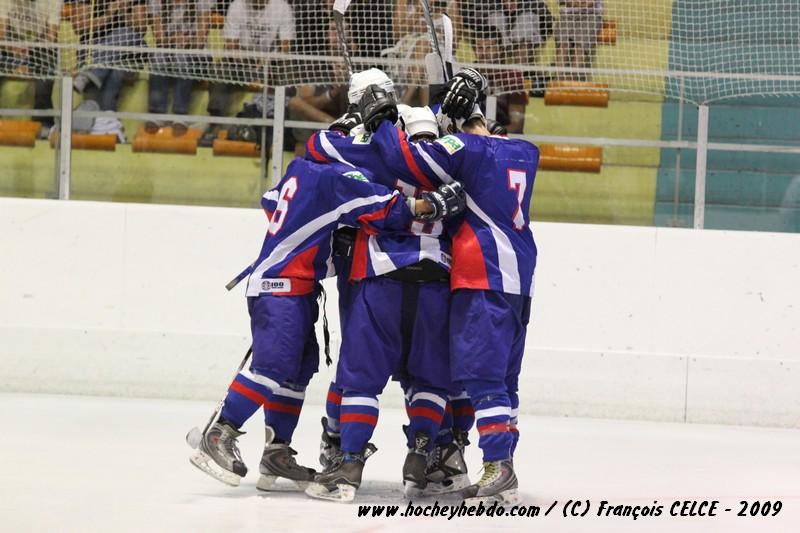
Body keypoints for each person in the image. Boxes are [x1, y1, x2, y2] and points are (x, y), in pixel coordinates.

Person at [190, 155, 466, 491]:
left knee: (296, 372)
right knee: (272, 367)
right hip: (283, 283)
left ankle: (275, 452)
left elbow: (271, 202)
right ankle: (220, 434)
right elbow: (386, 210)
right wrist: (428, 204)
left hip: (296, 282)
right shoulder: (338, 177)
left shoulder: (301, 170)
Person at [354, 68, 539, 504]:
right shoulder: (525, 150)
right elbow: (477, 140)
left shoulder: (466, 149)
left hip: (483, 275)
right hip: (520, 278)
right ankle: (502, 457)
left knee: (481, 373)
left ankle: (498, 464)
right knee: (506, 378)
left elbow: (410, 161)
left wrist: (380, 121)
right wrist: (453, 111)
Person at [303, 72, 468, 501]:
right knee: (431, 378)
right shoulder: (453, 159)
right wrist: (453, 111)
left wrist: (352, 121)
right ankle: (421, 459)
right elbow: (476, 138)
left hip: (380, 277)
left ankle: (348, 466)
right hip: (436, 278)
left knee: (360, 377)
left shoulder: (376, 152)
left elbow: (317, 148)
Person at [199, 0, 295, 146]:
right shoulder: (237, 5)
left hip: (271, 65)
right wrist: (248, 57)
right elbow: (231, 45)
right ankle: (215, 122)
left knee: (288, 75)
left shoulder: (282, 7)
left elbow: (285, 47)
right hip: (241, 63)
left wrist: (268, 59)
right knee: (219, 69)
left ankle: (277, 129)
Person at [146, 0, 214, 135]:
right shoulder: (157, 2)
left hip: (196, 54)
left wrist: (187, 41)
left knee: (181, 56)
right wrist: (174, 40)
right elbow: (158, 39)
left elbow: (200, 39)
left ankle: (180, 115)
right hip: (169, 50)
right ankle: (157, 114)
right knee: (157, 56)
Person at [70, 0, 148, 112]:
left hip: (124, 55)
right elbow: (78, 27)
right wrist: (109, 14)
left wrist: (124, 14)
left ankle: (92, 74)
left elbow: (141, 29)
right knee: (112, 73)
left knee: (126, 32)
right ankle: (108, 122)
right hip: (95, 50)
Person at [0, 0, 62, 134]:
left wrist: (30, 50)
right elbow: (1, 33)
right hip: (10, 47)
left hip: (39, 48)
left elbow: (51, 37)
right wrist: (12, 47)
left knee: (47, 67)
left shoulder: (54, 2)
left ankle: (44, 125)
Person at [556, 0, 604, 80]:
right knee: (563, 45)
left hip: (591, 14)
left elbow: (590, 3)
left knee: (580, 46)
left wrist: (577, 3)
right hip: (568, 14)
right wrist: (578, 3)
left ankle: (572, 79)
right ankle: (559, 79)